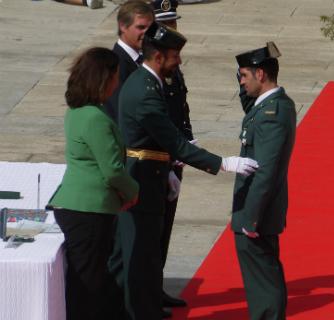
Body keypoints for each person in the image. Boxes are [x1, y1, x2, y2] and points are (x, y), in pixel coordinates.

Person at [109, 22, 259, 320]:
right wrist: (223, 163)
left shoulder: (149, 82)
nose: (179, 61)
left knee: (148, 253)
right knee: (139, 255)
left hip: (150, 174)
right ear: (159, 57)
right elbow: (172, 140)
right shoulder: (145, 92)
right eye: (175, 56)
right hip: (142, 180)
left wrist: (167, 172)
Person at [48, 47, 139, 320]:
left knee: (90, 278)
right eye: (115, 77)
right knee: (87, 284)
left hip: (78, 206)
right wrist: (133, 191)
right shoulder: (96, 118)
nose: (117, 83)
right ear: (104, 78)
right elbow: (112, 170)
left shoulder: (77, 112)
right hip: (89, 209)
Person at [232, 42, 296, 320]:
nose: (241, 82)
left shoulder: (271, 114)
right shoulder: (271, 104)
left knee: (263, 279)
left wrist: (251, 217)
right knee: (262, 275)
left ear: (260, 75)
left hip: (257, 211)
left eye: (244, 75)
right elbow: (249, 101)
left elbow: (266, 171)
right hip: (257, 209)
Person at [151, 0, 190, 310]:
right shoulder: (149, 69)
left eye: (173, 23)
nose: (172, 29)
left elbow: (179, 107)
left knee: (165, 228)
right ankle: (148, 290)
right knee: (153, 229)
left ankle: (156, 285)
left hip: (174, 155)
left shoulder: (171, 65)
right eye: (165, 25)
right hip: (158, 159)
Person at [104, 0, 155, 123]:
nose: (147, 33)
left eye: (151, 28)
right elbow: (120, 113)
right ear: (122, 26)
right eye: (141, 27)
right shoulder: (116, 64)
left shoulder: (145, 58)